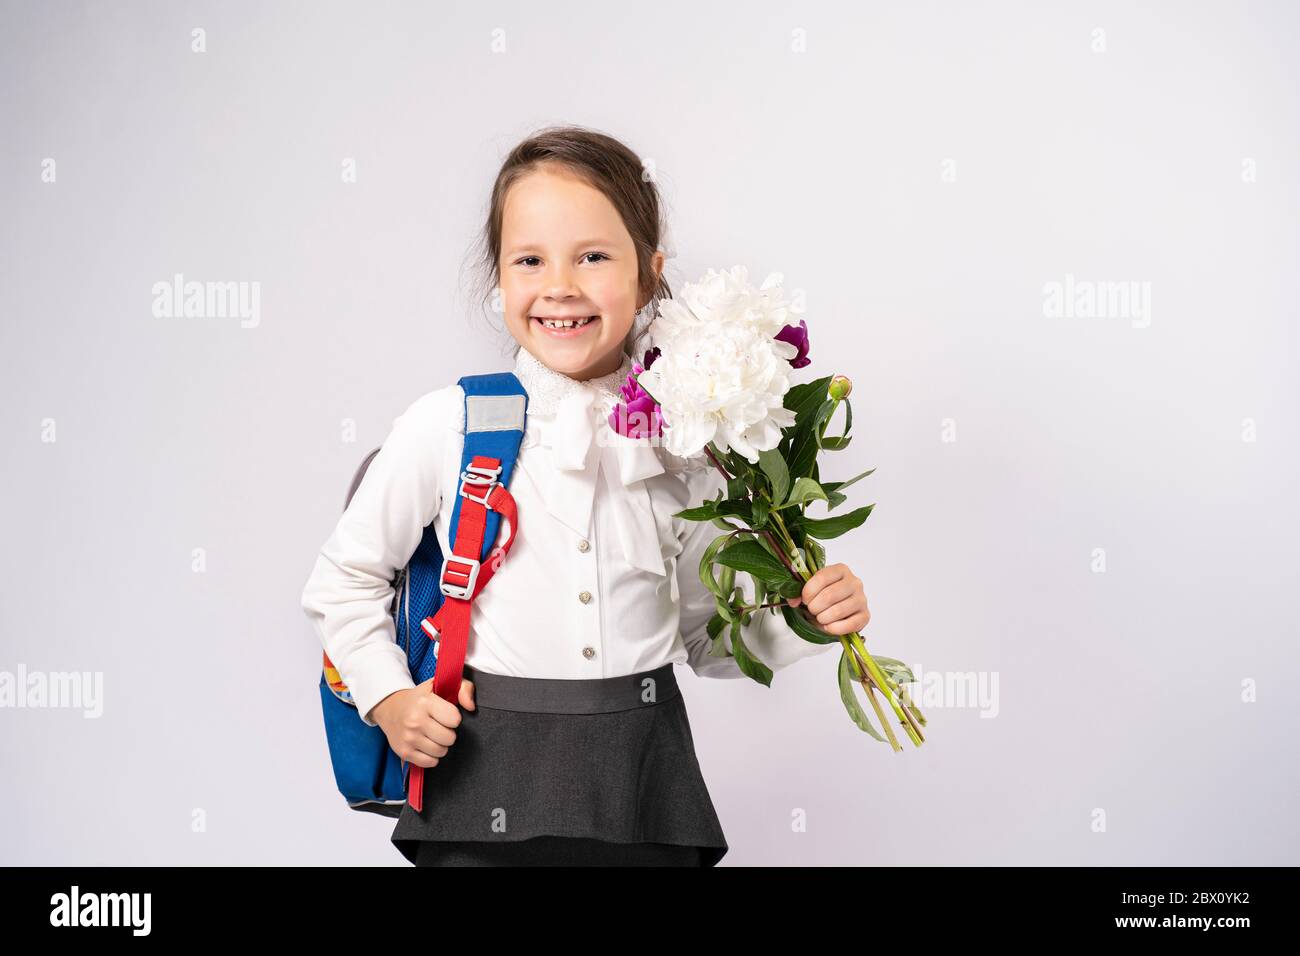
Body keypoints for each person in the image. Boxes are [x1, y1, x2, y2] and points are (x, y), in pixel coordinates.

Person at [299, 125, 871, 866]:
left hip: (643, 780)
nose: (560, 285)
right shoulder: (448, 424)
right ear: (499, 277)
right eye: (530, 259)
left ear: (649, 273)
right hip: (482, 777)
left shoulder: (689, 445)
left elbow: (704, 636)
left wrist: (808, 624)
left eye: (593, 256)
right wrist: (389, 698)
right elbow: (342, 580)